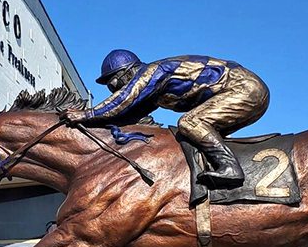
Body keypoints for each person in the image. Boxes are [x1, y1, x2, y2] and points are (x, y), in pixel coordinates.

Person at [60, 50, 269, 188]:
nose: (113, 88)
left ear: (128, 71)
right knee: (196, 136)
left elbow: (123, 101)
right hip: (244, 90)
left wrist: (86, 114)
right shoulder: (155, 91)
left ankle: (230, 168)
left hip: (245, 89)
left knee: (191, 123)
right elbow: (130, 114)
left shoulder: (152, 73)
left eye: (113, 81)